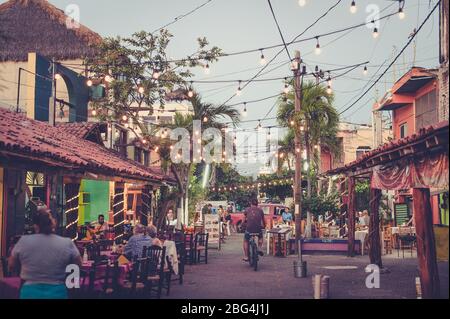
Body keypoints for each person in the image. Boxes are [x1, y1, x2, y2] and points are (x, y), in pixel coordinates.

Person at [9, 209, 81, 299]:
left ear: (35, 226)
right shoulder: (66, 242)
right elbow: (78, 265)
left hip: (30, 293)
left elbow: (11, 265)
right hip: (57, 292)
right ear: (53, 223)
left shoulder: (23, 241)